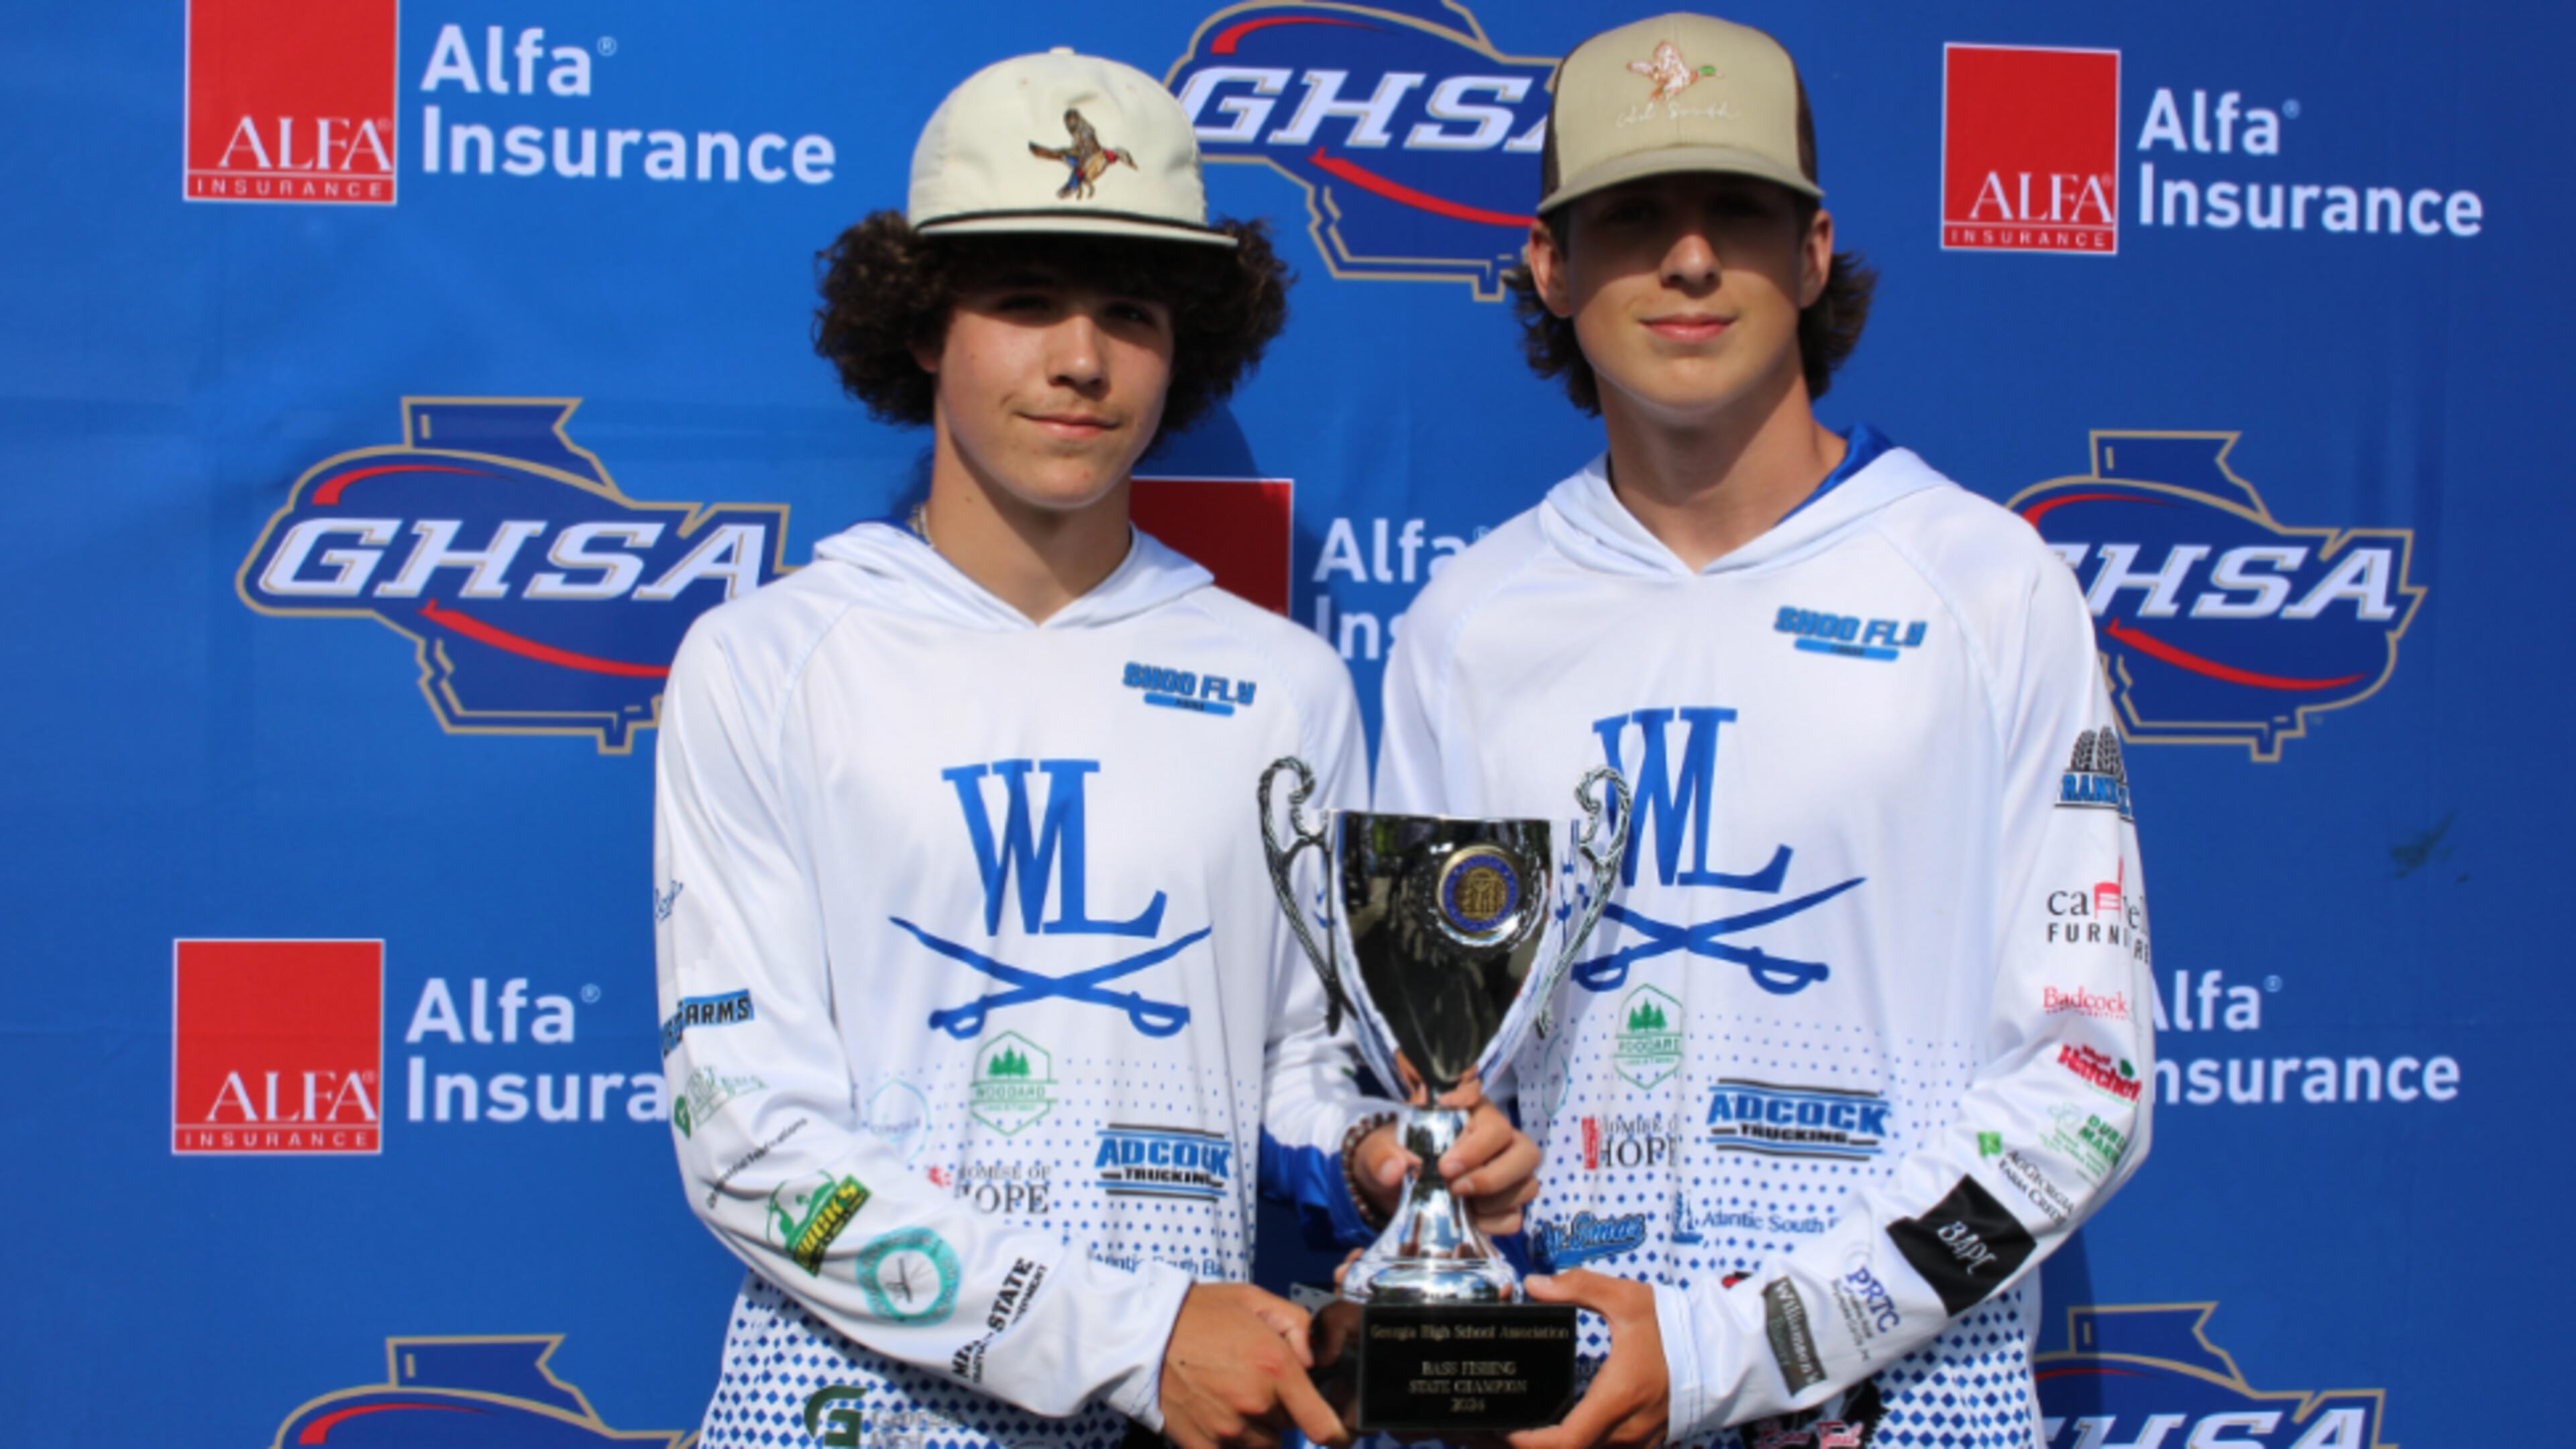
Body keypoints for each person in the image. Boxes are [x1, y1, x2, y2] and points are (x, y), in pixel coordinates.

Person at [651, 48, 1539, 1449]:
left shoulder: (1285, 687)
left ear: (1188, 345)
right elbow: (749, 1138)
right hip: (850, 1413)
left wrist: (1379, 1157)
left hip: (1190, 1408)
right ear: (923, 325)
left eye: (1128, 311)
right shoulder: (768, 661)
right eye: (1021, 302)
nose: (1079, 359)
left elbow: (1298, 1073)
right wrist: (1124, 1337)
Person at [1373, 15, 2155, 1449]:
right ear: (1549, 266)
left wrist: (1751, 1339)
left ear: (1812, 255)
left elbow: (2086, 1087)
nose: (1687, 259)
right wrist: (1430, 1149)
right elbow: (1429, 1069)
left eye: (1738, 210)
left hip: (1910, 1415)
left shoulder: (1988, 584)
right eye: (1630, 217)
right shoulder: (1468, 622)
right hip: (1559, 1402)